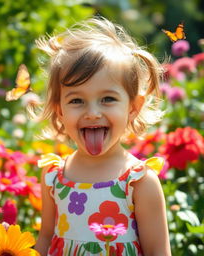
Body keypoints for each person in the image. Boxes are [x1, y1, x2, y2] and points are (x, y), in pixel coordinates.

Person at [34, 17, 171, 256]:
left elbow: (158, 251)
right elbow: (46, 237)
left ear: (133, 107)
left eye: (108, 99)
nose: (93, 113)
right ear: (59, 109)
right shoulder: (54, 176)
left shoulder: (138, 182)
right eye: (76, 100)